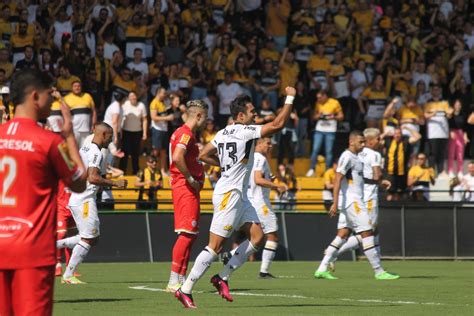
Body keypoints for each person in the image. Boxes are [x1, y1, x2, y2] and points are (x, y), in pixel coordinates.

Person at [175, 87, 296, 308]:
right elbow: (278, 125)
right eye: (252, 112)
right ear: (241, 116)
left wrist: (225, 165)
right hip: (229, 195)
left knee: (258, 237)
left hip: (239, 195)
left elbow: (203, 155)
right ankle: (185, 289)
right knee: (215, 247)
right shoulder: (246, 131)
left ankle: (221, 277)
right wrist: (290, 97)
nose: (255, 115)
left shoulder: (223, 132)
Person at [0, 69, 87, 315]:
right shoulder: (48, 142)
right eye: (50, 95)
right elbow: (79, 182)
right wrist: (69, 137)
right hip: (32, 252)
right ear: (35, 96)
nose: (54, 101)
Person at [314, 130, 399, 280]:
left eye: (364, 142)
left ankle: (321, 268)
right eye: (361, 142)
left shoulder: (357, 158)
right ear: (351, 142)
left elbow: (360, 179)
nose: (363, 144)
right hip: (353, 201)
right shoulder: (347, 156)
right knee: (367, 232)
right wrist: (335, 202)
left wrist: (379, 182)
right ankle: (379, 271)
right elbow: (337, 179)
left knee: (343, 234)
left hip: (353, 200)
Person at [57, 122, 127, 284]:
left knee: (91, 238)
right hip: (84, 200)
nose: (110, 141)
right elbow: (93, 177)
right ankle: (68, 275)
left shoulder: (85, 148)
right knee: (89, 239)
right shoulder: (96, 152)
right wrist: (116, 183)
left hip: (78, 198)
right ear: (103, 135)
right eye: (110, 137)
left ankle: (50, 247)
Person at [327, 128, 391, 265]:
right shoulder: (373, 154)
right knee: (368, 232)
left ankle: (327, 259)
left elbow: (357, 177)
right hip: (365, 198)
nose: (380, 141)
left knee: (345, 232)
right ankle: (378, 269)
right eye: (378, 138)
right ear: (370, 140)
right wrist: (380, 180)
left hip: (354, 197)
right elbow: (376, 175)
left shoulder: (358, 155)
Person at [166, 99, 208, 292]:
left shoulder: (180, 133)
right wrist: (190, 178)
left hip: (187, 187)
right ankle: (173, 279)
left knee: (190, 235)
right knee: (186, 234)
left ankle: (181, 277)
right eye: (205, 117)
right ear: (198, 116)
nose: (206, 122)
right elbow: (177, 157)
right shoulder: (185, 134)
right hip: (185, 187)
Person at [248, 137, 288, 278]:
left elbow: (265, 177)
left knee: (256, 239)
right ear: (259, 143)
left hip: (251, 202)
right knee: (272, 236)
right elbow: (258, 180)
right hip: (260, 202)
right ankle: (264, 271)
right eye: (268, 143)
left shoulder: (252, 157)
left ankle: (232, 256)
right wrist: (278, 186)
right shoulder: (260, 158)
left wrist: (275, 184)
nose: (270, 146)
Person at [306, 89, 344, 176]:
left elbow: (341, 116)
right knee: (315, 149)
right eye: (317, 98)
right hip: (319, 129)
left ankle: (327, 170)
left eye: (319, 98)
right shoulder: (318, 104)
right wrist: (318, 116)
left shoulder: (335, 102)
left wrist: (333, 116)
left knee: (329, 151)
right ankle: (312, 169)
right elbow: (314, 117)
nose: (318, 100)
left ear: (325, 96)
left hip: (330, 130)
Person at [424, 84, 453, 177]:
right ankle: (432, 172)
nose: (436, 91)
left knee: (442, 153)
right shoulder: (428, 103)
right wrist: (434, 113)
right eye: (434, 90)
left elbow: (449, 115)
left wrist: (450, 113)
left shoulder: (445, 102)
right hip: (433, 133)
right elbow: (425, 116)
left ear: (440, 91)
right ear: (431, 91)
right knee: (433, 153)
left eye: (437, 90)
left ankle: (441, 171)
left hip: (443, 133)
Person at [64, 80, 97, 148]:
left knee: (85, 150)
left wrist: (93, 124)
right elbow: (65, 114)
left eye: (78, 86)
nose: (77, 88)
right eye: (75, 86)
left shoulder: (87, 96)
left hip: (86, 129)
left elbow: (93, 111)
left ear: (81, 87)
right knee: (74, 149)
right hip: (74, 130)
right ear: (72, 88)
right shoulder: (66, 98)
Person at [150, 88, 174, 176]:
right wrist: (167, 118)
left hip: (164, 129)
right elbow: (154, 117)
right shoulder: (154, 103)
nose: (165, 95)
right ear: (158, 93)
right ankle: (152, 170)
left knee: (164, 151)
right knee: (156, 151)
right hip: (157, 130)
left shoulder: (162, 102)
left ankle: (163, 171)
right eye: (164, 93)